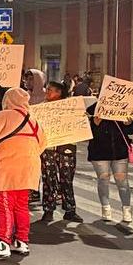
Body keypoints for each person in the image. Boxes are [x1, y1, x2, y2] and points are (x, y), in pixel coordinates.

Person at [0, 87, 45, 258]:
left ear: (8, 100)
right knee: (21, 206)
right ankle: (22, 241)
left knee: (4, 205)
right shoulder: (34, 120)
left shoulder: (3, 115)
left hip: (8, 168)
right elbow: (43, 144)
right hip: (29, 169)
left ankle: (3, 243)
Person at [86, 99, 133, 225]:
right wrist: (95, 124)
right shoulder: (93, 110)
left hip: (119, 151)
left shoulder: (123, 107)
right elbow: (86, 131)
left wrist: (128, 124)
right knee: (103, 179)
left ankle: (126, 209)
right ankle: (106, 208)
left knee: (122, 181)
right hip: (100, 152)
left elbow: (132, 129)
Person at [39, 81, 81, 222]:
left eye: (50, 90)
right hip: (48, 148)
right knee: (48, 179)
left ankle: (70, 210)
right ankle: (48, 209)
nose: (47, 92)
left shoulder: (71, 107)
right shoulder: (41, 107)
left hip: (66, 148)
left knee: (67, 179)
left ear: (59, 92)